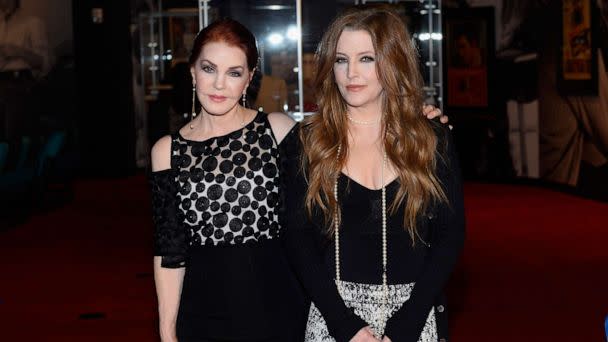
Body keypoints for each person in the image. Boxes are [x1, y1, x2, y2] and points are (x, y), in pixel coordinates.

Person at [149, 17, 447, 342]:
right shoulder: (167, 151)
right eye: (209, 69)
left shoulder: (278, 131)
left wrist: (414, 117)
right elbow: (170, 251)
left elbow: (353, 138)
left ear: (249, 78)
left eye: (233, 72)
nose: (219, 84)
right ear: (192, 71)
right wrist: (167, 331)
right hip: (203, 312)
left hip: (279, 307)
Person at [283, 5, 465, 342]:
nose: (351, 72)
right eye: (341, 60)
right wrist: (344, 325)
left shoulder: (430, 138)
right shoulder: (308, 141)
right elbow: (297, 240)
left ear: (392, 62)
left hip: (413, 317)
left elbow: (449, 237)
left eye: (366, 58)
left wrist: (408, 323)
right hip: (332, 319)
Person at [0, 0, 49, 142]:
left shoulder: (33, 23)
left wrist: (19, 52)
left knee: (11, 137)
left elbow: (45, 63)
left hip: (18, 85)